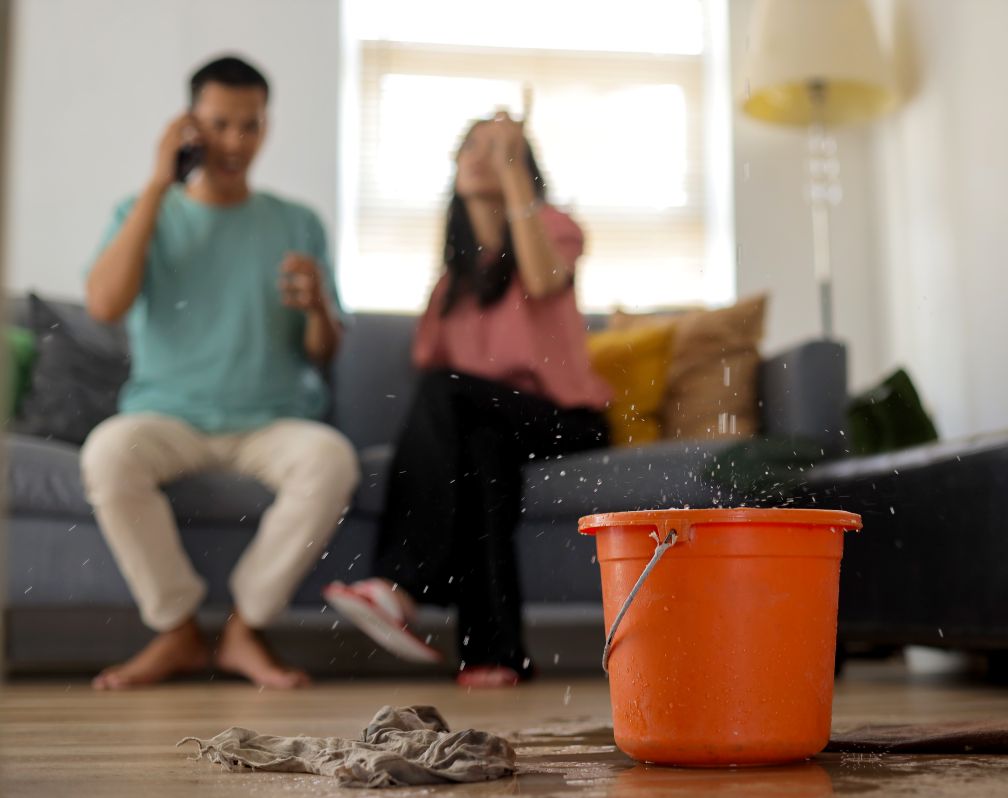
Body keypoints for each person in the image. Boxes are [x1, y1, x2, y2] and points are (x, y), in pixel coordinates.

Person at [80, 55, 359, 690]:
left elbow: (324, 352)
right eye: (219, 124)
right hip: (167, 417)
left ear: (266, 127)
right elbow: (104, 305)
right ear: (189, 126)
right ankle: (176, 631)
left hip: (272, 422)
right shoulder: (142, 211)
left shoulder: (298, 222)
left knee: (331, 460)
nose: (235, 141)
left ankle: (243, 629)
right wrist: (158, 184)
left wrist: (318, 305)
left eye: (249, 125)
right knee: (108, 454)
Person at [324, 113, 611, 688]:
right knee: (481, 454)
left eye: (500, 149)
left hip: (565, 421)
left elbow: (544, 280)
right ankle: (495, 654)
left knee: (449, 396)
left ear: (524, 168)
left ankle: (401, 585)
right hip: (495, 425)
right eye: (471, 147)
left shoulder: (554, 228)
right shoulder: (451, 285)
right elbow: (432, 368)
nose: (482, 156)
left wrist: (514, 176)